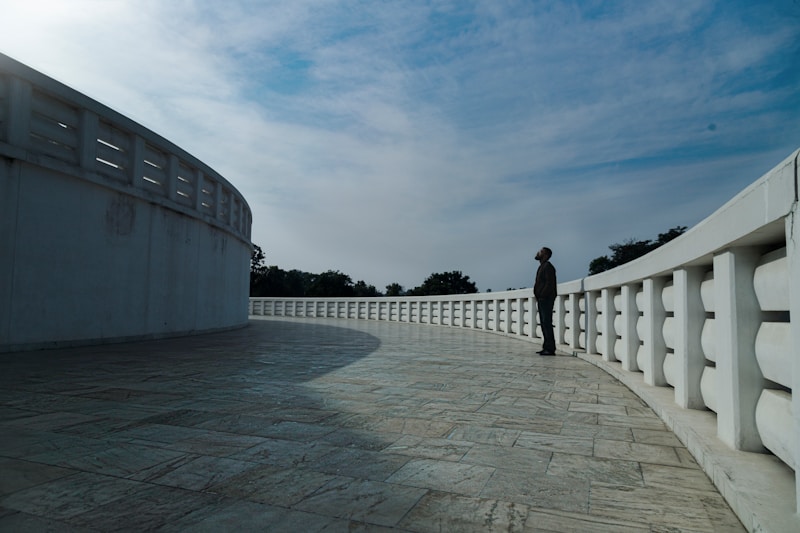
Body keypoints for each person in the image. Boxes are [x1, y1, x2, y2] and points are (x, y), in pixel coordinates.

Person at [533, 246, 557, 355]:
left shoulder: (548, 267)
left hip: (546, 299)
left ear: (546, 255)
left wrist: (542, 295)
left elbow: (549, 283)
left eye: (541, 252)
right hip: (542, 299)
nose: (538, 253)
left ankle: (550, 348)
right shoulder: (543, 266)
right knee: (544, 323)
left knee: (547, 323)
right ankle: (546, 346)